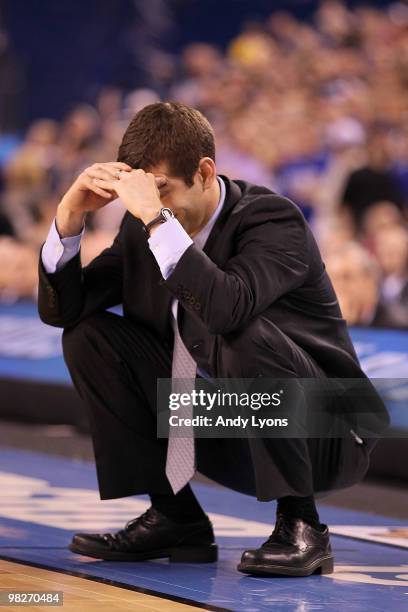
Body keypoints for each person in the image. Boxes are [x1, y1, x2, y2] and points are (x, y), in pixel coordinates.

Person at [38, 102, 387, 577]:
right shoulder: (142, 230)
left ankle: (302, 525)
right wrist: (69, 216)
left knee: (241, 329)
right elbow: (64, 311)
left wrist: (157, 219)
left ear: (205, 172)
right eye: (142, 196)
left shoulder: (271, 219)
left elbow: (225, 308)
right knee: (89, 336)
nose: (148, 208)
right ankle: (175, 516)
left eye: (162, 192)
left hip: (330, 427)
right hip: (231, 421)